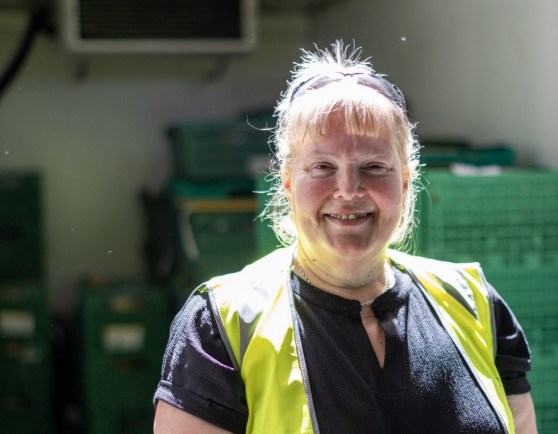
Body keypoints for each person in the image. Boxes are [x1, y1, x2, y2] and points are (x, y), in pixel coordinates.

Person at [153, 41, 538, 434]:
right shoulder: (222, 325)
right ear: (288, 182)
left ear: (406, 182)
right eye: (322, 166)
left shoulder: (473, 301)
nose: (349, 189)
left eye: (374, 166)